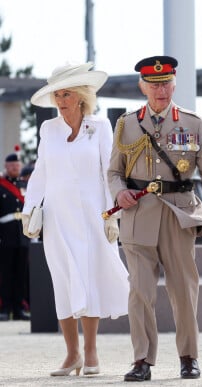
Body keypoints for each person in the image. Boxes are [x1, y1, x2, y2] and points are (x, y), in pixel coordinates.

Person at [107, 55, 202, 382]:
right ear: (142, 86)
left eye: (166, 83)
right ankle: (142, 360)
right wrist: (119, 193)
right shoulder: (127, 124)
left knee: (184, 290)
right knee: (140, 291)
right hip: (138, 214)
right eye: (154, 84)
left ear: (175, 83)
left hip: (178, 213)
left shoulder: (192, 123)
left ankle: (189, 357)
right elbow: (114, 172)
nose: (161, 90)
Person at [22, 62, 129, 376]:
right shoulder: (48, 129)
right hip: (57, 217)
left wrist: (112, 215)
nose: (61, 99)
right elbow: (40, 172)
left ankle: (91, 352)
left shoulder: (100, 127)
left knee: (88, 279)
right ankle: (72, 355)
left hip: (91, 217)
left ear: (82, 96)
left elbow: (109, 172)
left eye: (66, 93)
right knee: (64, 281)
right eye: (57, 94)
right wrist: (30, 210)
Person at [0, 152, 30, 321]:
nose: (14, 169)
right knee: (6, 274)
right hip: (6, 236)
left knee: (21, 274)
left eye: (17, 166)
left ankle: (19, 308)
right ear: (6, 166)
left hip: (22, 236)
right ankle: (5, 308)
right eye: (11, 166)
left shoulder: (24, 185)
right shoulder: (1, 186)